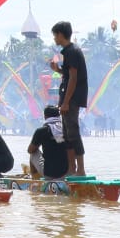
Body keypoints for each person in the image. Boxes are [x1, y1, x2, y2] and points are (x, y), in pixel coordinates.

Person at [50, 21, 88, 177]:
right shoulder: (68, 52)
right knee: (66, 134)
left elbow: (73, 79)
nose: (54, 39)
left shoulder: (72, 52)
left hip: (71, 99)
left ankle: (81, 170)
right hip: (67, 97)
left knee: (73, 132)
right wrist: (57, 70)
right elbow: (68, 75)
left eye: (55, 35)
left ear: (60, 34)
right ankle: (71, 169)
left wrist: (66, 102)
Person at [27, 106, 69, 179]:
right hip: (66, 172)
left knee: (33, 153)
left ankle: (35, 179)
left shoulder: (41, 131)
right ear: (59, 116)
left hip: (49, 173)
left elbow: (30, 150)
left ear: (45, 116)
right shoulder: (66, 129)